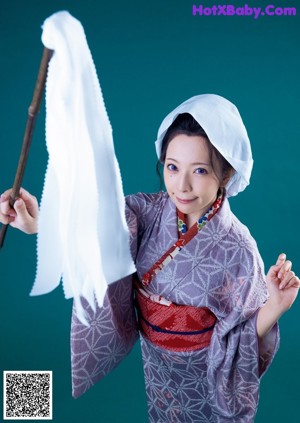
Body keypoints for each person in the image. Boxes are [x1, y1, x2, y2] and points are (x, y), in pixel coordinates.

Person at [0, 94, 299, 422]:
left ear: (226, 174)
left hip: (206, 370)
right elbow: (99, 234)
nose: (181, 185)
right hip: (156, 361)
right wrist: (38, 224)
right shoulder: (144, 212)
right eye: (172, 167)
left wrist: (275, 306)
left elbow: (240, 335)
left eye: (199, 170)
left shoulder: (239, 248)